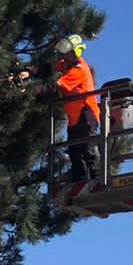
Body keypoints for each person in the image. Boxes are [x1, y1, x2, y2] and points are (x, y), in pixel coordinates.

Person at [49, 34, 103, 185]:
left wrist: (33, 89)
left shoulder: (79, 69)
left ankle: (97, 177)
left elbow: (56, 86)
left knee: (88, 147)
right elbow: (50, 67)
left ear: (76, 52)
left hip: (86, 113)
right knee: (74, 150)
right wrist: (31, 72)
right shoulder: (67, 64)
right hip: (74, 117)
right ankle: (78, 176)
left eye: (67, 54)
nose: (64, 58)